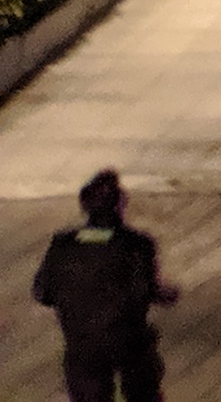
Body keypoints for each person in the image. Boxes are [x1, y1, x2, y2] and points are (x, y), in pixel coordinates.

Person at [33, 170, 172, 402]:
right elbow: (143, 291)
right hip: (127, 340)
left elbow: (42, 292)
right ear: (120, 205)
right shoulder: (135, 244)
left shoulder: (62, 245)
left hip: (82, 343)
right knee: (143, 384)